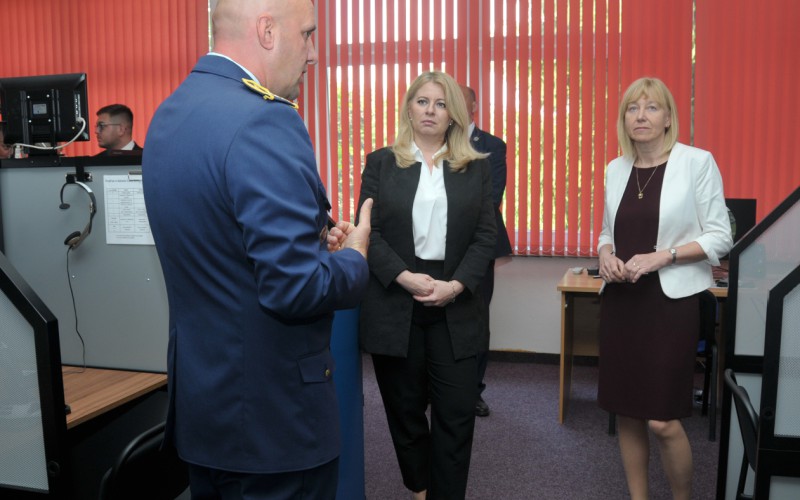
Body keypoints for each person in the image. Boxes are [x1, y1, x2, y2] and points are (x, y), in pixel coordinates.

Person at [141, 0, 373, 498]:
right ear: (267, 31)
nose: (313, 53)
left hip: (207, 411)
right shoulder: (263, 120)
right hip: (274, 422)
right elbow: (296, 289)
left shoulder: (171, 112)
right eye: (307, 34)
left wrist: (312, 244)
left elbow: (222, 245)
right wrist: (354, 259)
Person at [358, 71, 497, 500]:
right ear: (408, 108)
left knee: (457, 413)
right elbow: (369, 232)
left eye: (440, 103)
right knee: (405, 411)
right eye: (422, 101)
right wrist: (404, 277)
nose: (430, 111)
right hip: (396, 298)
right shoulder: (381, 162)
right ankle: (420, 490)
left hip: (456, 299)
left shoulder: (476, 166)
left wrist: (454, 286)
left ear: (454, 113)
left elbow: (486, 236)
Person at [596, 77, 732, 500]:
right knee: (628, 411)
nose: (641, 116)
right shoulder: (615, 169)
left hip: (669, 305)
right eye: (632, 108)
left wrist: (664, 256)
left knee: (662, 420)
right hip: (623, 301)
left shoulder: (697, 163)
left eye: (651, 107)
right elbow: (607, 232)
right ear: (624, 119)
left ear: (669, 118)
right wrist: (605, 254)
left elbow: (720, 237)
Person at [459, 84, 512, 418]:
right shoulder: (435, 143)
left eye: (459, 99)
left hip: (479, 245)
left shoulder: (492, 145)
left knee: (477, 318)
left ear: (474, 105)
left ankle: (473, 391)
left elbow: (491, 197)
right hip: (437, 250)